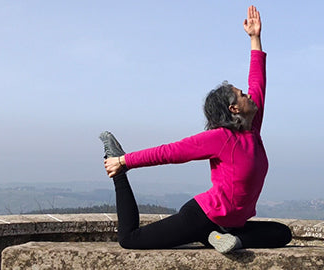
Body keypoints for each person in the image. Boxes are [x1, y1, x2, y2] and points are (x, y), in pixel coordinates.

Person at [100, 5, 292, 253]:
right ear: (234, 109)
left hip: (231, 227)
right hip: (202, 216)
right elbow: (169, 152)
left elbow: (258, 80)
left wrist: (255, 38)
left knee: (282, 233)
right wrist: (123, 162)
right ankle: (120, 178)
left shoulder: (252, 128)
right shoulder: (220, 139)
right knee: (130, 239)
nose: (249, 95)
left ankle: (222, 239)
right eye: (242, 95)